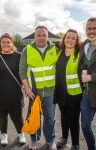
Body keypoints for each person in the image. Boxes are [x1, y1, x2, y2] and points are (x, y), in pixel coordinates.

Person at [19, 26, 57, 150]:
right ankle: (34, 140)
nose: (41, 37)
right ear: (34, 36)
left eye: (43, 35)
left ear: (47, 36)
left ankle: (50, 140)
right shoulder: (27, 49)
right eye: (38, 35)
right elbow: (22, 70)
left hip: (51, 91)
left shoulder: (54, 48)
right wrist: (27, 88)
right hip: (34, 92)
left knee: (50, 118)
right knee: (35, 117)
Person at [0, 33, 26, 146]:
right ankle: (4, 135)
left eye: (8, 42)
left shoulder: (19, 56)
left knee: (17, 115)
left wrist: (27, 85)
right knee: (1, 114)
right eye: (3, 42)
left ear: (12, 43)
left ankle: (21, 133)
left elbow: (24, 71)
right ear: (0, 43)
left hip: (14, 91)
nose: (5, 44)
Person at [53, 29, 82, 150]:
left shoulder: (79, 54)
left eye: (73, 38)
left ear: (76, 41)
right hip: (60, 91)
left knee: (73, 119)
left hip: (74, 93)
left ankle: (75, 143)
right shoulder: (58, 52)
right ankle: (64, 137)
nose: (70, 40)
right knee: (63, 117)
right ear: (64, 39)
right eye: (68, 37)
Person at [79, 17, 96, 150]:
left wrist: (91, 77)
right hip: (87, 93)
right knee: (85, 125)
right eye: (89, 28)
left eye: (95, 28)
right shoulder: (84, 45)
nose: (92, 31)